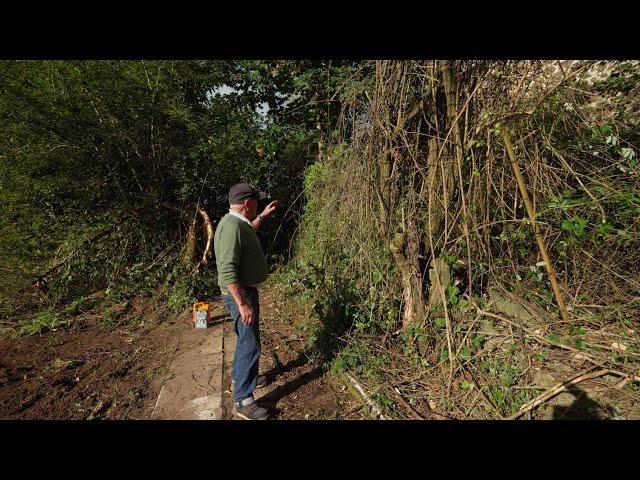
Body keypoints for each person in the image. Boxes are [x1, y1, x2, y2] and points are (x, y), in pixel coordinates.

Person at [214, 182, 279, 420]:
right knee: (250, 343)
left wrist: (262, 216)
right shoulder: (231, 228)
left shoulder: (236, 223)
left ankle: (240, 376)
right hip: (241, 293)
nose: (258, 204)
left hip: (243, 292)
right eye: (256, 202)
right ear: (246, 204)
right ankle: (243, 399)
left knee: (246, 338)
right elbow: (227, 269)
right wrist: (242, 303)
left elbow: (248, 229)